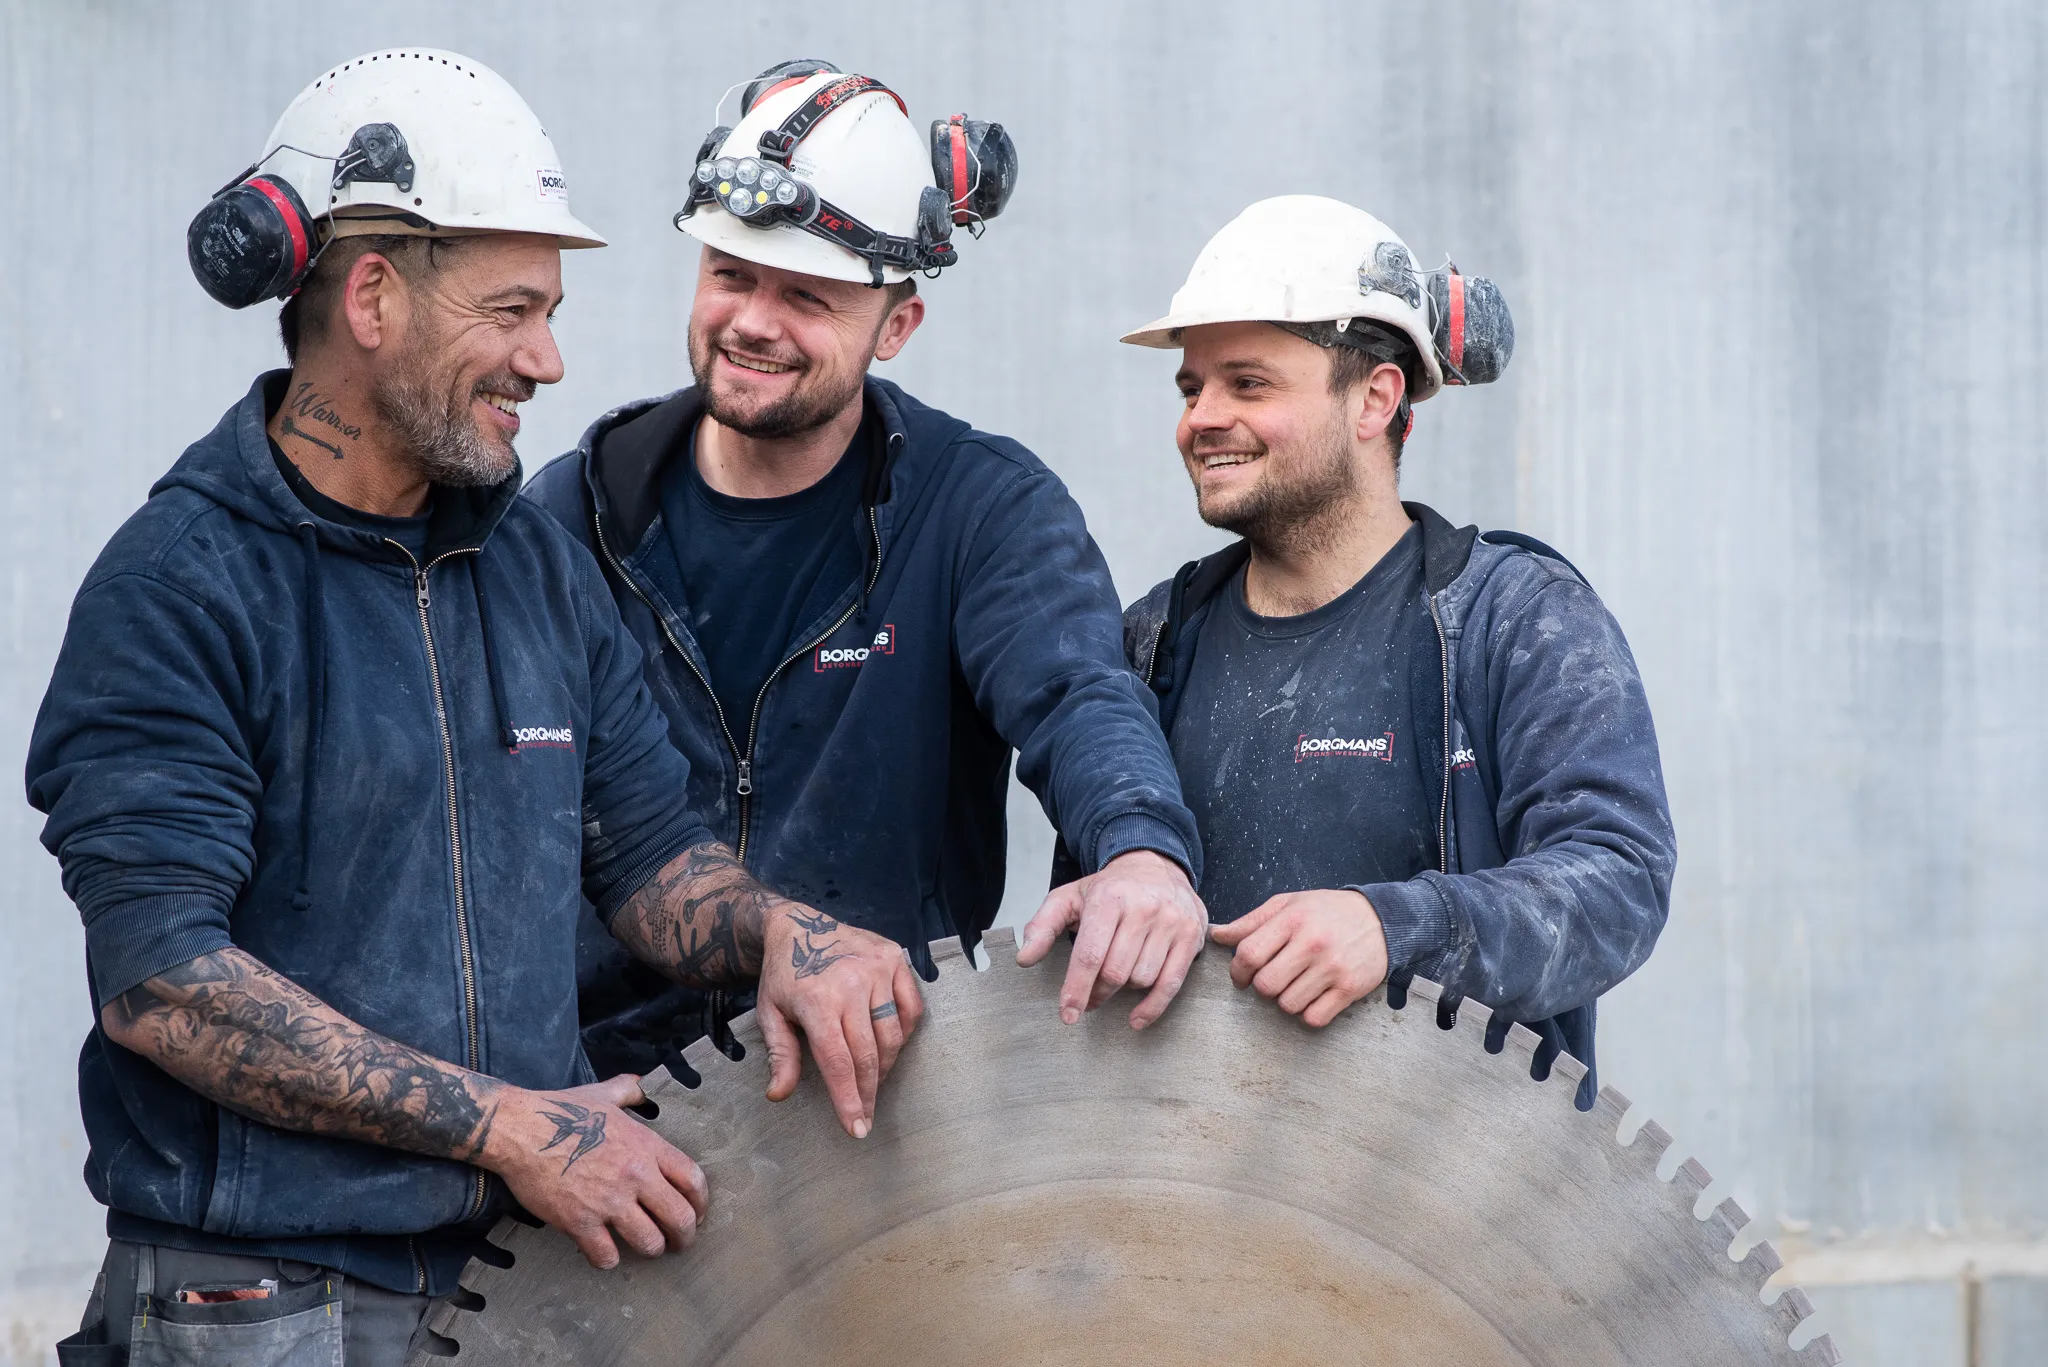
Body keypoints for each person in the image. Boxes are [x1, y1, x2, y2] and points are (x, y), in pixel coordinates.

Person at [27, 51, 916, 1366]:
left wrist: (788, 932)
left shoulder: (535, 565)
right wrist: (512, 1126)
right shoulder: (182, 583)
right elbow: (164, 981)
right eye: (513, 311)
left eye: (549, 312)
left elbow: (651, 860)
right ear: (374, 295)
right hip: (258, 1306)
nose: (548, 360)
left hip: (505, 1289)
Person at [526, 61, 1208, 1076]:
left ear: (896, 325)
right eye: (730, 274)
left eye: (806, 294)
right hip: (615, 1103)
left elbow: (1077, 695)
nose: (754, 319)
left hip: (882, 1097)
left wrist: (1143, 854)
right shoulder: (571, 514)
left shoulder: (978, 509)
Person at [1117, 196, 1675, 1105]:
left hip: (1447, 1219)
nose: (1201, 418)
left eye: (1248, 384)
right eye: (1192, 387)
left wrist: (1395, 929)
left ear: (1375, 397)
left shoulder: (1514, 619)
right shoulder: (1154, 640)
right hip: (1207, 1206)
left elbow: (1620, 882)